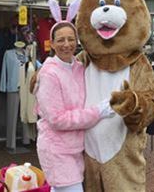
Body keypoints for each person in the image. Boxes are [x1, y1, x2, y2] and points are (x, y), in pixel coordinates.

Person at [33, 22, 114, 192]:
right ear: (52, 43)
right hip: (56, 150)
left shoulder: (78, 67)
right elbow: (57, 119)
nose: (66, 44)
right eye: (61, 40)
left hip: (77, 148)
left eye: (71, 39)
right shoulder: (49, 73)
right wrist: (97, 112)